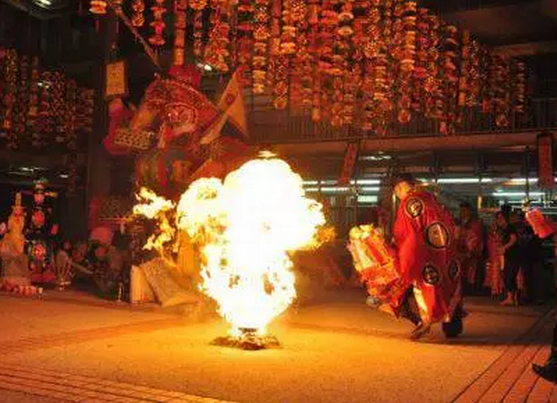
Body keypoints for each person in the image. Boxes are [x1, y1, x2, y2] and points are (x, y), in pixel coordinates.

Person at [392, 173, 463, 340]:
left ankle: (423, 322)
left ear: (399, 188)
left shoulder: (408, 203)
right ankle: (452, 328)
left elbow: (410, 236)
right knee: (448, 287)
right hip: (447, 254)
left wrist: (406, 264)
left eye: (396, 192)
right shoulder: (433, 201)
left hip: (426, 256)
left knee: (411, 290)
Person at [457, 202, 484, 293]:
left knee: (471, 271)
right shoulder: (458, 222)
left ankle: (471, 289)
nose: (462, 212)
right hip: (460, 250)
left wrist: (471, 251)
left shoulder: (476, 223)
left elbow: (477, 237)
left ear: (469, 211)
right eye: (461, 210)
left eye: (464, 210)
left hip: (471, 251)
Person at [495, 212, 520, 306]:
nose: (499, 221)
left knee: (509, 275)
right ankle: (513, 297)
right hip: (508, 255)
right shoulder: (504, 229)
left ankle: (511, 297)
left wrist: (505, 247)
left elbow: (513, 239)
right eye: (497, 219)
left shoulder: (510, 227)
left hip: (514, 255)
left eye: (501, 218)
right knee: (509, 275)